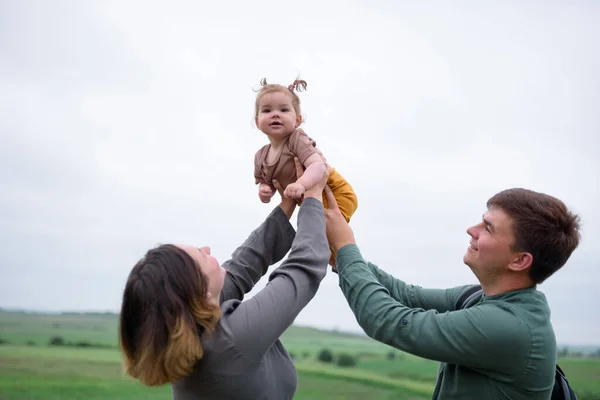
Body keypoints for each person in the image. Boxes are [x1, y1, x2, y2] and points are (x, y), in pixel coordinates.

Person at [323, 187, 581, 400]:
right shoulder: (481, 297)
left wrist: (345, 245)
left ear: (519, 260)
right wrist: (339, 258)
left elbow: (389, 321)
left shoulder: (509, 326)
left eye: (488, 228)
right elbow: (406, 296)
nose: (472, 229)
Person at [118, 162, 330, 400]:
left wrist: (288, 204)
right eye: (200, 254)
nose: (207, 248)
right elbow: (303, 269)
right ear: (200, 294)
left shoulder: (191, 330)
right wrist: (313, 195)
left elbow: (242, 266)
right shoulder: (232, 340)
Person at [253, 77, 358, 264]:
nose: (275, 114)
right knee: (324, 248)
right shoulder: (261, 156)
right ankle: (347, 269)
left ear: (298, 120)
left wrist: (300, 183)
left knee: (325, 238)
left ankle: (350, 266)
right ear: (257, 120)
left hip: (334, 192)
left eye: (284, 110)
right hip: (311, 202)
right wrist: (264, 192)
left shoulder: (296, 139)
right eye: (267, 110)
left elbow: (317, 166)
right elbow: (264, 182)